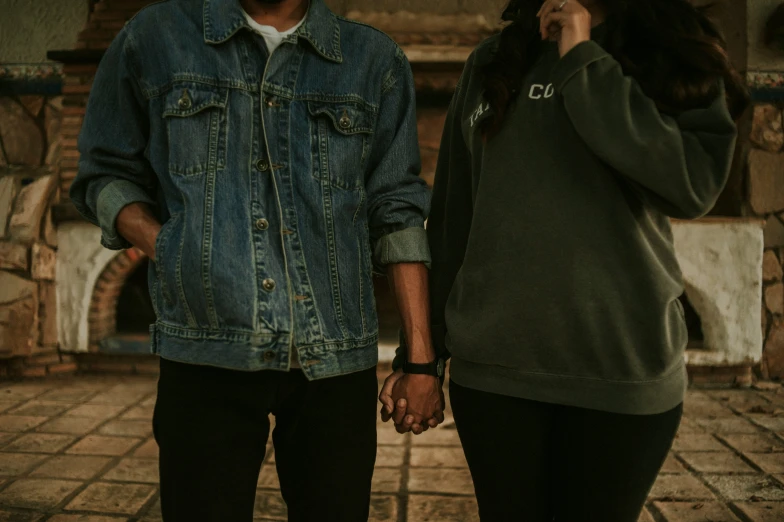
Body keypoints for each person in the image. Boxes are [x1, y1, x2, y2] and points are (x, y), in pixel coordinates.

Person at [69, 0, 444, 520]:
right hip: (205, 348)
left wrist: (422, 361)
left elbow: (398, 212)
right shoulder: (155, 38)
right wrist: (175, 246)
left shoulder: (373, 60)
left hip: (334, 360)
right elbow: (103, 173)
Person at [381, 0, 749, 519]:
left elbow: (692, 187)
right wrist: (421, 360)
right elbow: (452, 220)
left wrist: (582, 58)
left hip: (620, 373)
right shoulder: (493, 61)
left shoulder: (666, 51)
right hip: (495, 380)